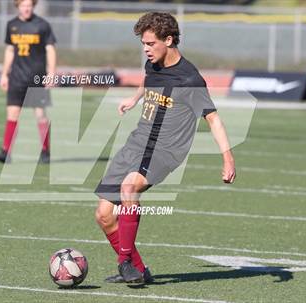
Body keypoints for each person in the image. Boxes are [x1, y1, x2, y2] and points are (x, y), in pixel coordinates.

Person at [94, 12, 236, 284]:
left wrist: (227, 158)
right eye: (143, 44)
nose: (146, 49)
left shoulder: (189, 79)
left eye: (150, 44)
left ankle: (124, 261)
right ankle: (138, 269)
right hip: (138, 141)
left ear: (168, 40)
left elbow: (213, 118)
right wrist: (134, 99)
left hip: (165, 150)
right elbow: (148, 80)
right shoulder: (153, 64)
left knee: (128, 188)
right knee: (103, 215)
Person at [0, 0, 56, 164]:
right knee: (12, 114)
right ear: (18, 6)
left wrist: (52, 72)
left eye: (29, 5)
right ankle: (6, 152)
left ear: (33, 6)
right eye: (23, 5)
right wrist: (5, 74)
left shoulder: (42, 25)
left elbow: (50, 49)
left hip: (36, 77)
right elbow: (10, 50)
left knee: (40, 115)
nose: (26, 8)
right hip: (17, 78)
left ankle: (45, 151)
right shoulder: (12, 25)